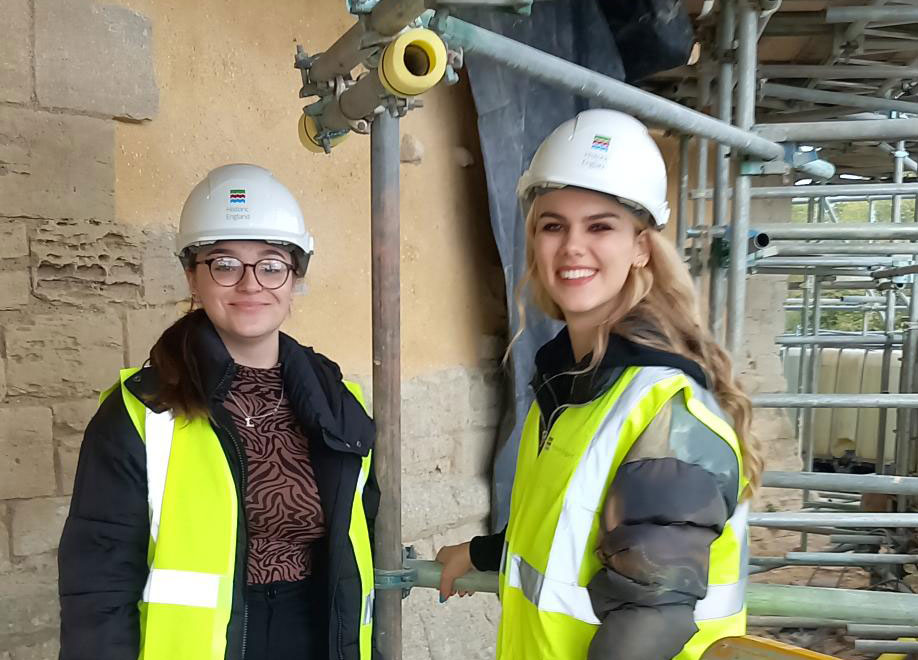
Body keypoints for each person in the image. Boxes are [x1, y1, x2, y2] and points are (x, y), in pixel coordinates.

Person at [436, 109, 763, 660]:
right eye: (553, 225)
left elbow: (651, 617)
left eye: (600, 226)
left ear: (641, 247)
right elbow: (573, 532)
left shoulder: (666, 412)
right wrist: (483, 552)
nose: (572, 247)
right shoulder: (570, 385)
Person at [58, 164, 378, 660]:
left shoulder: (340, 403)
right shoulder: (140, 412)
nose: (251, 284)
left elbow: (362, 544)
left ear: (294, 277)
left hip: (318, 639)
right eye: (225, 264)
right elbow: (98, 583)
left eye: (271, 265)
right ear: (192, 275)